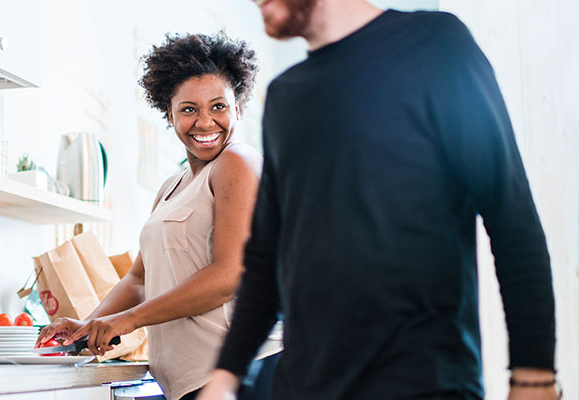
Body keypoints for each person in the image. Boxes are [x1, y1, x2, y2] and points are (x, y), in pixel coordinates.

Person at [198, 0, 558, 399]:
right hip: (304, 387)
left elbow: (511, 218)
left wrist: (534, 375)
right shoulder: (285, 98)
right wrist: (225, 377)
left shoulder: (436, 47)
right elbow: (267, 261)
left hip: (421, 384)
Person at [36, 32, 274, 400]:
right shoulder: (172, 187)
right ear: (170, 114)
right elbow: (139, 278)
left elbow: (229, 275)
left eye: (219, 107)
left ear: (237, 109)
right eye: (189, 109)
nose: (206, 122)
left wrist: (127, 320)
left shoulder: (237, 163)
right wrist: (89, 325)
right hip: (191, 382)